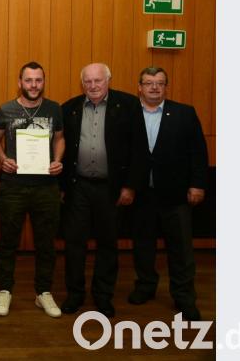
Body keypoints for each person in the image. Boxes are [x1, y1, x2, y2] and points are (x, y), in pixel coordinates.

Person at [60, 63, 146, 318]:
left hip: (111, 188)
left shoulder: (128, 105)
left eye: (98, 81)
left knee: (108, 244)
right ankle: (75, 294)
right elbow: (63, 150)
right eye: (88, 81)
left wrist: (130, 186)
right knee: (74, 243)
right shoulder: (70, 108)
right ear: (82, 83)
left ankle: (103, 296)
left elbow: (139, 149)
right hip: (79, 187)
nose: (93, 86)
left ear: (108, 80)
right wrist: (62, 186)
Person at [128, 67, 208, 321]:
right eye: (149, 83)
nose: (154, 88)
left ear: (166, 87)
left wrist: (198, 184)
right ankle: (145, 287)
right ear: (139, 87)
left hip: (175, 196)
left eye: (160, 83)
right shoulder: (128, 114)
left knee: (181, 250)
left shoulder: (184, 113)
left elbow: (198, 153)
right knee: (143, 247)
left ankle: (185, 298)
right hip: (141, 195)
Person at [0, 62, 65, 318]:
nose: (34, 85)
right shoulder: (6, 110)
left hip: (46, 187)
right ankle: (5, 290)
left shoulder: (54, 109)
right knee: (8, 241)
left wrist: (57, 160)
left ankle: (43, 292)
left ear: (44, 82)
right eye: (29, 80)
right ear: (20, 82)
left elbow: (59, 138)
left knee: (46, 242)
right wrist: (3, 159)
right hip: (13, 187)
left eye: (38, 80)